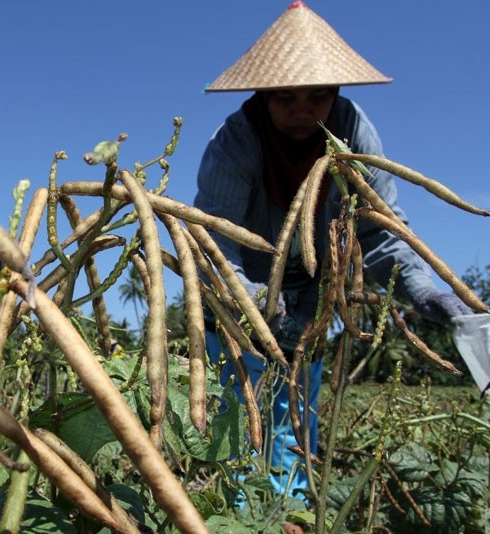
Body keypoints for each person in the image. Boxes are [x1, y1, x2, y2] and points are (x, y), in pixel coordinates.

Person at [194, 1, 472, 501]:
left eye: (317, 97)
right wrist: (259, 306)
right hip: (240, 294)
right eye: (285, 98)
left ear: (336, 93)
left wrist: (426, 291)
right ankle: (239, 511)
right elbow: (213, 243)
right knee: (241, 409)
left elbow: (381, 231)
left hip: (316, 295)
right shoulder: (235, 142)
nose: (303, 110)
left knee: (298, 406)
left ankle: (295, 508)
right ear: (263, 93)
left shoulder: (353, 133)